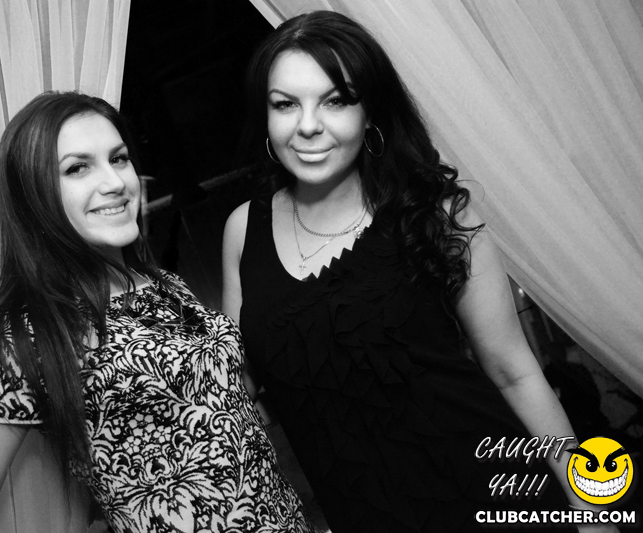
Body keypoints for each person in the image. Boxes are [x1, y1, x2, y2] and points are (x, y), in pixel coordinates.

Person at [223, 11, 616, 533]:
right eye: (285, 104)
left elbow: (515, 372)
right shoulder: (243, 232)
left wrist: (592, 512)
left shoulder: (436, 212)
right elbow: (239, 395)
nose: (308, 125)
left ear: (370, 113)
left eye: (336, 100)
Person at [0, 91, 315, 532]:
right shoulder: (23, 338)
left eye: (118, 159)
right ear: (33, 196)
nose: (115, 182)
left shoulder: (163, 284)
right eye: (77, 168)